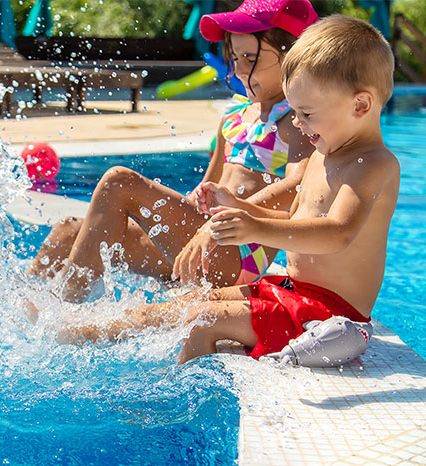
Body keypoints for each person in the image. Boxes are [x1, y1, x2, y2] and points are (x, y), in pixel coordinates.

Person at [59, 15, 400, 365]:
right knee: (182, 305)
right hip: (292, 295)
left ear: (360, 105)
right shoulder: (323, 156)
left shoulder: (373, 164)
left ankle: (173, 401)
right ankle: (72, 334)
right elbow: (293, 219)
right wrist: (239, 206)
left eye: (307, 114)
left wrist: (253, 228)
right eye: (295, 113)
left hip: (329, 317)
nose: (297, 123)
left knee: (200, 320)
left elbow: (337, 233)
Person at [26, 0, 317, 302]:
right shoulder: (234, 117)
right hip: (200, 240)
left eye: (250, 58)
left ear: (292, 56)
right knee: (69, 229)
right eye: (234, 58)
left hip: (237, 252)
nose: (240, 70)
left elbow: (299, 188)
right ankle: (22, 308)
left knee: (119, 181)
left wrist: (234, 212)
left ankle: (63, 316)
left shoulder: (295, 120)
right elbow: (206, 187)